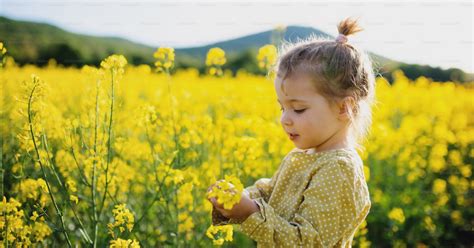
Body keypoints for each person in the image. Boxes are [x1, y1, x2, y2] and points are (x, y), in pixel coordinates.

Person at [207, 16, 376, 247]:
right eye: (282, 107)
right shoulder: (307, 156)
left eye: (298, 109)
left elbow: (307, 242)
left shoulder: (338, 169)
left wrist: (249, 213)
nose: (285, 119)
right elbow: (270, 192)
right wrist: (236, 199)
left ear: (345, 108)